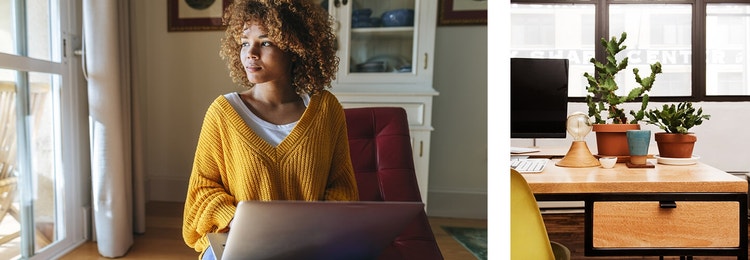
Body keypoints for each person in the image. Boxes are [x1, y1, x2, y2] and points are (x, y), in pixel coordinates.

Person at [181, 1, 359, 259]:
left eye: (265, 42)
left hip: (310, 243)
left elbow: (342, 188)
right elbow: (202, 191)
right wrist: (236, 220)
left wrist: (315, 229)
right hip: (240, 241)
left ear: (295, 48)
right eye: (244, 43)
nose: (250, 53)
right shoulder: (223, 113)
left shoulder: (326, 110)